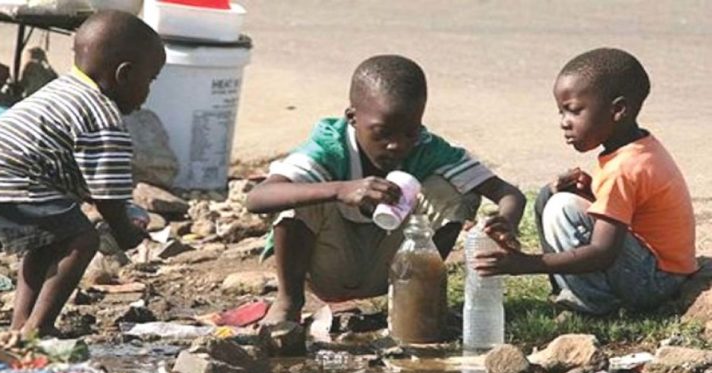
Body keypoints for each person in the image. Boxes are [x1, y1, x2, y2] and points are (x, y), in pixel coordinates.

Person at [246, 54, 526, 324]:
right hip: (324, 268)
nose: (397, 145)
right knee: (300, 194)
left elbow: (508, 193)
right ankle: (288, 303)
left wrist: (507, 223)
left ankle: (418, 298)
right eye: (383, 133)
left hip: (396, 269)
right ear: (352, 117)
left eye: (409, 132)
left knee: (454, 191)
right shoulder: (330, 147)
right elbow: (257, 198)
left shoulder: (426, 147)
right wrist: (340, 189)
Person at [0, 10, 166, 336]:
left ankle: (21, 326)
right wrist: (125, 231)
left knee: (48, 242)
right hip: (6, 178)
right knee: (81, 240)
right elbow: (108, 194)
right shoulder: (102, 115)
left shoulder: (60, 91)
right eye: (150, 80)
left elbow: (78, 171)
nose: (148, 91)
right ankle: (41, 325)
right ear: (125, 74)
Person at [475, 48, 697, 315]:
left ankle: (593, 305)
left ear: (618, 110)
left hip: (655, 281)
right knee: (549, 195)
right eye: (561, 113)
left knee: (563, 208)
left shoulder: (624, 168)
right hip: (655, 270)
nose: (564, 123)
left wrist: (526, 264)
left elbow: (603, 252)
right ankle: (566, 289)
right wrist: (592, 190)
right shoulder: (637, 147)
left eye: (573, 111)